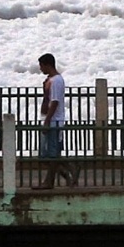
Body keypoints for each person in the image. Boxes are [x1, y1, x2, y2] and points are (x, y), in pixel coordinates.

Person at [35, 52, 77, 189]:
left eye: (41, 66)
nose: (40, 69)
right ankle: (68, 170)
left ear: (48, 65)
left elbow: (55, 101)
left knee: (51, 154)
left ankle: (49, 181)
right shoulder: (51, 80)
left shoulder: (57, 81)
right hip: (50, 120)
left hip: (54, 121)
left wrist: (47, 120)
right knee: (46, 155)